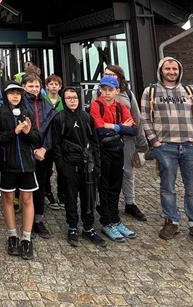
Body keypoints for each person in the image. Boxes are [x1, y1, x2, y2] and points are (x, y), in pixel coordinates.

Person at [141, 57, 193, 246]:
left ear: (179, 71)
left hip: (190, 146)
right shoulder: (151, 91)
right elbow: (145, 118)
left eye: (175, 68)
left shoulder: (189, 91)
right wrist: (155, 142)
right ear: (161, 70)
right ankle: (171, 221)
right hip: (165, 146)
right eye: (168, 68)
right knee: (167, 186)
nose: (172, 72)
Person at [52, 86, 106, 248]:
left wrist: (97, 164)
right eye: (68, 98)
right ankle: (73, 227)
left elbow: (95, 142)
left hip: (87, 163)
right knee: (70, 197)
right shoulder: (59, 118)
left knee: (88, 197)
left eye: (74, 98)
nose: (72, 101)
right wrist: (61, 166)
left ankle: (88, 228)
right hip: (69, 164)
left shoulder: (86, 117)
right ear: (64, 100)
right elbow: (56, 145)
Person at [0, 82, 40, 259]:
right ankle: (12, 235)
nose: (15, 96)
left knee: (27, 198)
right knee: (8, 198)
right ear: (6, 95)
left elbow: (37, 137)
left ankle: (26, 238)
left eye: (18, 93)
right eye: (11, 93)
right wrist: (15, 131)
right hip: (7, 163)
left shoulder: (28, 112)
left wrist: (27, 132)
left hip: (26, 164)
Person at [90, 75, 140, 242]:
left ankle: (115, 219)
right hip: (103, 151)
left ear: (117, 91)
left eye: (110, 90)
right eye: (103, 89)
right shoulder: (96, 105)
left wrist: (112, 126)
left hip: (118, 150)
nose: (106, 93)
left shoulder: (120, 106)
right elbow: (99, 129)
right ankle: (106, 221)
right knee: (104, 185)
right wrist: (121, 127)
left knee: (115, 185)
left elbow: (133, 129)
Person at [102, 64, 149, 223]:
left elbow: (137, 117)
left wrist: (141, 142)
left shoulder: (127, 93)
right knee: (108, 173)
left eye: (112, 74)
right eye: (106, 74)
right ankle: (107, 204)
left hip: (127, 140)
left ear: (119, 76)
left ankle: (130, 203)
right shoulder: (99, 93)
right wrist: (120, 126)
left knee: (128, 172)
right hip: (108, 141)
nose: (109, 76)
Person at [20, 73, 55, 238]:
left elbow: (51, 129)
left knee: (41, 186)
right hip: (27, 151)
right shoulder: (20, 104)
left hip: (43, 152)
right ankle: (28, 221)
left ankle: (38, 220)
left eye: (36, 86)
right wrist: (33, 148)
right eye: (30, 86)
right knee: (27, 188)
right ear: (24, 87)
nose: (34, 89)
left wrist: (44, 148)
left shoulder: (47, 104)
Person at [42, 74, 65, 210]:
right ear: (47, 86)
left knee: (61, 168)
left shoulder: (64, 100)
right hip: (47, 140)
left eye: (56, 84)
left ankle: (62, 194)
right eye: (51, 84)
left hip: (60, 140)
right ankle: (48, 193)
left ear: (60, 87)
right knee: (47, 169)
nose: (54, 86)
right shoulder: (43, 101)